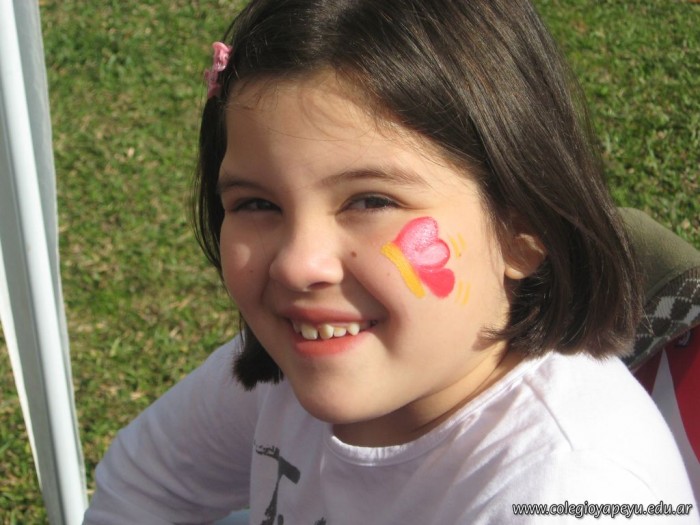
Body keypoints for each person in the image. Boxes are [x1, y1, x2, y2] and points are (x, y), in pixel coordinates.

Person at [83, 0, 698, 523]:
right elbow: (140, 485)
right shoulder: (298, 362)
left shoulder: (573, 490)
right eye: (258, 204)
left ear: (522, 230)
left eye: (371, 201)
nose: (298, 265)